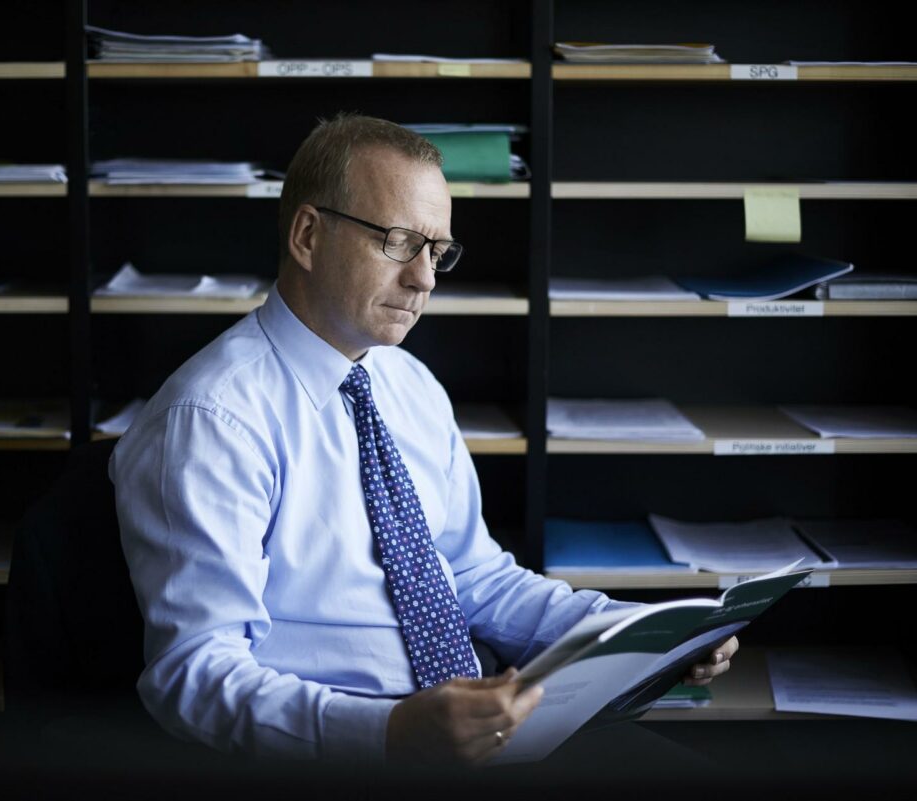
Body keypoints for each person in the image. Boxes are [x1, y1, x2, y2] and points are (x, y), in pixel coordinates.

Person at [110, 113, 737, 766]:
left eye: (437, 250)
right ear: (306, 235)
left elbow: (475, 576)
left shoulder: (408, 383)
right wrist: (388, 734)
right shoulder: (212, 417)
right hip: (338, 757)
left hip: (481, 730)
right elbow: (194, 674)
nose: (425, 280)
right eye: (399, 241)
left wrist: (642, 634)